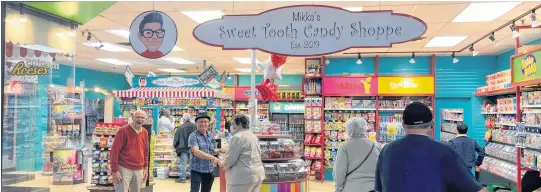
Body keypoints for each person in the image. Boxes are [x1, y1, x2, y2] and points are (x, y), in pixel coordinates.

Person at [374, 102, 487, 192]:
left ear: (403, 125)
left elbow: (379, 188)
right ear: (432, 124)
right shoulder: (445, 152)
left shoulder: (386, 151)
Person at [333, 117, 381, 192]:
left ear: (348, 130)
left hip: (351, 187)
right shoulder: (375, 145)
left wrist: (338, 189)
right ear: (365, 128)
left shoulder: (345, 146)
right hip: (372, 187)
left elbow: (339, 172)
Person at [220, 114, 265, 192]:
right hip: (257, 175)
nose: (231, 127)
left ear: (240, 124)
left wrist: (221, 163)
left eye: (233, 124)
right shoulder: (252, 135)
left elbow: (230, 159)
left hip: (242, 179)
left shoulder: (237, 137)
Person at [110, 110, 149, 192]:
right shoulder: (123, 131)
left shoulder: (145, 132)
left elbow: (145, 151)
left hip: (139, 169)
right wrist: (114, 170)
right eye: (137, 117)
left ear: (145, 120)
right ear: (132, 118)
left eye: (142, 118)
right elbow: (114, 151)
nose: (140, 119)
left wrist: (145, 168)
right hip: (124, 168)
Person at [188, 113, 226, 192]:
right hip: (196, 169)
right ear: (197, 123)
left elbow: (211, 150)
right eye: (200, 122)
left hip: (209, 169)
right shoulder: (193, 136)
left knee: (206, 190)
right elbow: (196, 152)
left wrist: (219, 150)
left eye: (205, 121)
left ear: (208, 123)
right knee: (194, 190)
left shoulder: (210, 136)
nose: (203, 124)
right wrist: (213, 158)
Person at [174, 113, 197, 183]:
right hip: (193, 147)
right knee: (192, 163)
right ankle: (192, 178)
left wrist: (176, 146)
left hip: (183, 148)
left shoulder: (181, 127)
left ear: (184, 119)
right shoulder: (195, 126)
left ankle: (182, 178)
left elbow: (176, 139)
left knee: (183, 163)